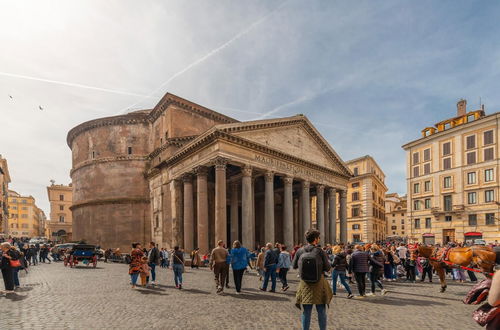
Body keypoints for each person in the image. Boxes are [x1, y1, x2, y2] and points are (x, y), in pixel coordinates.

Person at [292, 229, 332, 330]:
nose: (319, 239)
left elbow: (294, 266)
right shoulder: (320, 251)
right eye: (319, 238)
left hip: (305, 284)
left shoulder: (300, 250)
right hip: (319, 283)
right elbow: (327, 268)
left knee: (306, 311)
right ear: (315, 239)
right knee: (321, 310)